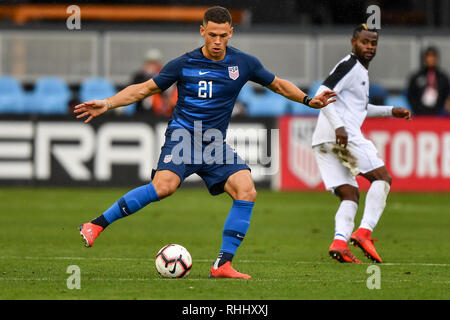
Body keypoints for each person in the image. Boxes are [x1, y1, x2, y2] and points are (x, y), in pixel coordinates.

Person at [74, 6, 336, 279]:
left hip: (213, 144)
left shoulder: (244, 63)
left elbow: (278, 85)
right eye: (212, 34)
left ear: (231, 33)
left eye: (223, 35)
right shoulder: (183, 64)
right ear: (202, 31)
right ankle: (95, 225)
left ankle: (222, 264)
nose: (217, 41)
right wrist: (107, 102)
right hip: (183, 137)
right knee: (164, 187)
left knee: (246, 190)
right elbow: (145, 89)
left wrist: (308, 100)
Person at [311, 24, 412, 264]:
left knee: (350, 194)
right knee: (382, 178)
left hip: (323, 140)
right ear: (353, 42)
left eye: (373, 43)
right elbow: (322, 92)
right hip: (340, 135)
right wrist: (339, 126)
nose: (369, 47)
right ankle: (365, 231)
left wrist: (390, 111)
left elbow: (357, 107)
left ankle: (340, 242)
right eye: (364, 42)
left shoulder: (360, 72)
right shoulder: (350, 65)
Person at [131, 48, 177, 116]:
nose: (151, 66)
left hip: (162, 113)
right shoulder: (139, 77)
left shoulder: (165, 76)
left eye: (154, 63)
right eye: (149, 63)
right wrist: (147, 77)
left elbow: (169, 97)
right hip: (142, 113)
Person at [407, 46, 450, 116]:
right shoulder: (416, 76)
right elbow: (411, 96)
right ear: (425, 58)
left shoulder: (443, 78)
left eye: (433, 56)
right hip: (419, 114)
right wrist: (418, 110)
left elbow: (446, 96)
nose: (431, 59)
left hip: (438, 115)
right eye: (429, 56)